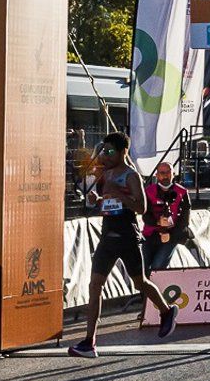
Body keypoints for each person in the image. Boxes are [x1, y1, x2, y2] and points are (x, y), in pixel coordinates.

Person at [69, 132, 176, 357]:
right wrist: (97, 201)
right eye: (103, 151)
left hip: (127, 235)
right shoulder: (106, 174)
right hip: (107, 235)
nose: (105, 156)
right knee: (94, 285)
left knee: (140, 282)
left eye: (109, 152)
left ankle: (166, 311)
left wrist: (120, 195)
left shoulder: (131, 175)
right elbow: (108, 202)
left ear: (123, 152)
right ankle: (90, 341)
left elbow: (141, 208)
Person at [142, 160, 189, 272]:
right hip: (150, 235)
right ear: (157, 175)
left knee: (158, 267)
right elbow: (145, 214)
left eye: (168, 172)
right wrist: (158, 222)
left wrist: (171, 234)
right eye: (162, 173)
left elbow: (185, 219)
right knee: (143, 268)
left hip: (171, 236)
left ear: (173, 174)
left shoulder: (182, 192)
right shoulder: (149, 191)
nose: (165, 175)